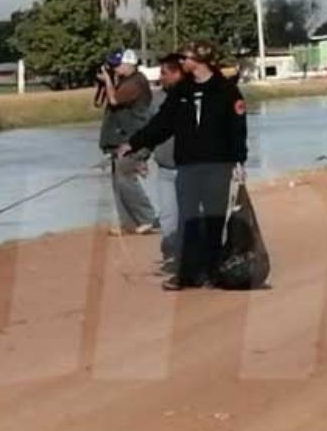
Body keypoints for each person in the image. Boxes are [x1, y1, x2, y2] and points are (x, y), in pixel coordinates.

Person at [116, 41, 249, 291]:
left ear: (199, 60)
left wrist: (239, 160)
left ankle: (212, 271)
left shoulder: (227, 91)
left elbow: (238, 129)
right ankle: (186, 274)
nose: (182, 62)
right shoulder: (181, 92)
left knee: (213, 220)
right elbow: (161, 124)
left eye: (185, 58)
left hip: (218, 165)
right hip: (187, 166)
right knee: (187, 219)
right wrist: (133, 144)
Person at [96, 49, 158, 236]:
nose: (114, 69)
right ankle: (130, 223)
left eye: (116, 66)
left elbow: (114, 100)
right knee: (119, 180)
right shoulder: (126, 82)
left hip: (135, 138)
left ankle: (147, 218)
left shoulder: (136, 83)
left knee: (125, 177)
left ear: (129, 64)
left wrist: (107, 80)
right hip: (124, 138)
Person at [152, 54, 185, 274]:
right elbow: (149, 130)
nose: (160, 78)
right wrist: (139, 156)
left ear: (177, 73)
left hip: (190, 169)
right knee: (167, 217)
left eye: (164, 73)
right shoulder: (155, 100)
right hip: (164, 169)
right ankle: (172, 257)